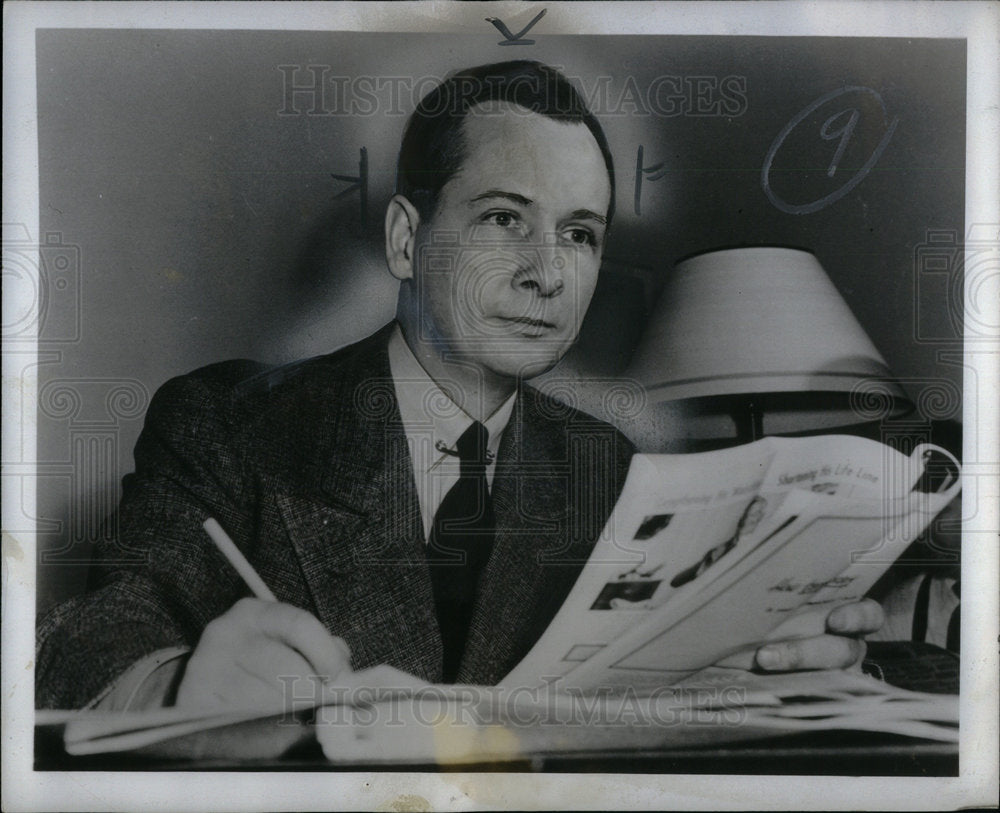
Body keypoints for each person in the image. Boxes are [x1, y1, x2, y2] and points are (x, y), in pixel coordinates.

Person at [35, 60, 882, 712]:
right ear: (407, 240)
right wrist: (176, 685)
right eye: (503, 218)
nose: (548, 274)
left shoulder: (615, 467)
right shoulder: (226, 422)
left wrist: (756, 661)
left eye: (579, 234)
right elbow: (90, 640)